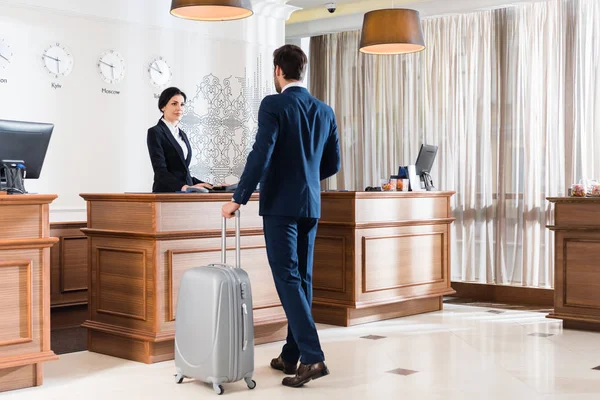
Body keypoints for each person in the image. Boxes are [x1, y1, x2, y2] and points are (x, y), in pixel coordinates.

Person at [221, 45, 341, 388]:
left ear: (278, 71)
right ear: (301, 71)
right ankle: (291, 353)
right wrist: (304, 175)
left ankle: (313, 356)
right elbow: (332, 164)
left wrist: (237, 199)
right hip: (310, 204)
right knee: (301, 278)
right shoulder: (324, 110)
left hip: (280, 206)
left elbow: (262, 152)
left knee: (287, 277)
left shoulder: (273, 104)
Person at [147, 87, 213, 193]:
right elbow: (160, 172)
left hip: (184, 195)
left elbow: (182, 172)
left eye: (182, 104)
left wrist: (211, 186)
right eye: (174, 104)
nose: (179, 108)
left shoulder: (182, 134)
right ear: (163, 106)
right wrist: (183, 187)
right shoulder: (155, 132)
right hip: (165, 194)